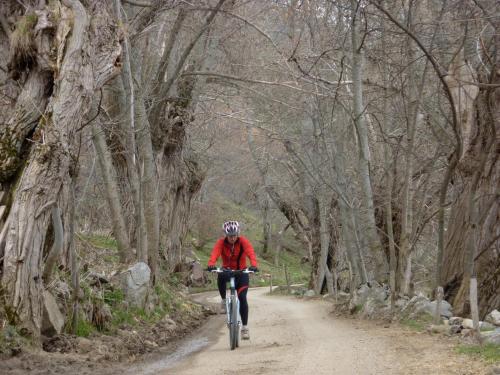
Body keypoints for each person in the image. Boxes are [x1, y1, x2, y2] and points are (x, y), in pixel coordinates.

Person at [207, 220, 259, 340]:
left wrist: (254, 265)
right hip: (227, 271)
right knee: (220, 275)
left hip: (241, 272)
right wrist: (211, 264)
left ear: (238, 233)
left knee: (242, 298)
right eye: (230, 236)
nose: (232, 238)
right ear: (226, 234)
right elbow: (215, 253)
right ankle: (224, 300)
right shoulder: (221, 242)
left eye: (235, 235)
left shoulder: (243, 241)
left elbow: (250, 252)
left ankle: (245, 328)